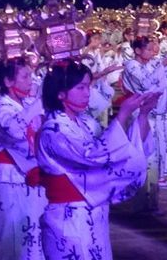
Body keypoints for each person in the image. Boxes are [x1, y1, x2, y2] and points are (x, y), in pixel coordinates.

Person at [35, 59, 154, 259]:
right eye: (80, 87)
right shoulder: (53, 130)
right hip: (68, 215)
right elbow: (94, 156)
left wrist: (143, 114)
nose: (87, 93)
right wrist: (123, 114)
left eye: (88, 86)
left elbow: (120, 152)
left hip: (92, 213)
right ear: (60, 93)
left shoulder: (84, 124)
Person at [0, 57, 45, 260]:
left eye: (31, 75)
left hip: (31, 175)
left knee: (33, 232)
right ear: (8, 81)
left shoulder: (26, 104)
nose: (31, 81)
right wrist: (36, 107)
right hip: (9, 178)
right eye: (25, 76)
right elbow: (14, 131)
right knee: (12, 234)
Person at [121, 35, 167, 210]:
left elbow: (162, 83)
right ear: (138, 50)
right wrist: (161, 67)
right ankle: (140, 200)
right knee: (144, 154)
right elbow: (145, 83)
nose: (151, 52)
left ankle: (151, 201)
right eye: (148, 49)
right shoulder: (131, 65)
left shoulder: (151, 64)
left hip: (154, 112)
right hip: (140, 113)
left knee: (156, 153)